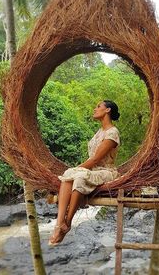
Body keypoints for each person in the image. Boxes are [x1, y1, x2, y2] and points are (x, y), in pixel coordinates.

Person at [48, 100, 120, 246]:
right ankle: (60, 224)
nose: (95, 109)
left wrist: (77, 168)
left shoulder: (113, 132)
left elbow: (95, 160)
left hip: (106, 172)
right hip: (92, 172)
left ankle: (67, 222)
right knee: (73, 176)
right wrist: (76, 170)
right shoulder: (100, 132)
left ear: (107, 110)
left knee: (76, 174)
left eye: (98, 106)